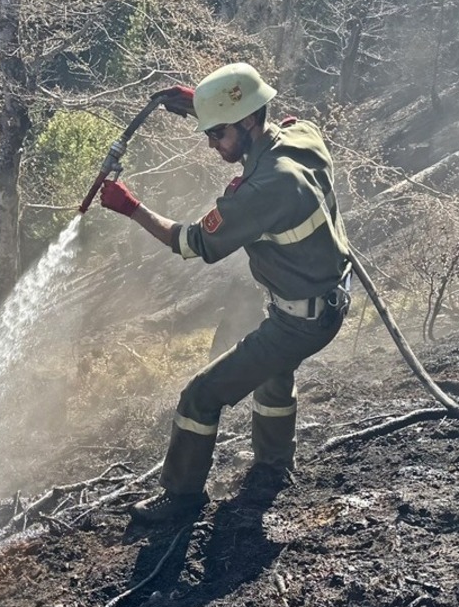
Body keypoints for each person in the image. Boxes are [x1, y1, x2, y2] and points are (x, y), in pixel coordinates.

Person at [96, 62, 351, 524]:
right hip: (327, 300)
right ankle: (273, 469)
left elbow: (191, 243)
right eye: (209, 133)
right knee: (273, 375)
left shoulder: (264, 189)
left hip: (302, 320)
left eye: (218, 134)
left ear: (249, 121)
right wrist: (202, 102)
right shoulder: (301, 136)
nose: (213, 145)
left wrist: (129, 207)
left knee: (201, 396)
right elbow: (273, 127)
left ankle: (180, 500)